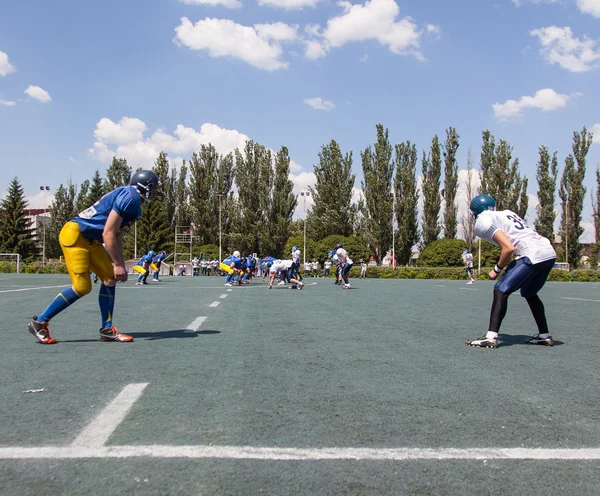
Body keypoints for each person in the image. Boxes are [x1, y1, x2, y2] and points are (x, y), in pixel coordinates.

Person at [27, 170, 162, 344]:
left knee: (109, 278)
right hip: (76, 235)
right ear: (144, 186)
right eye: (153, 187)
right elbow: (108, 233)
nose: (155, 191)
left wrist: (119, 264)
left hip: (91, 239)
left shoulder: (132, 200)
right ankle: (39, 322)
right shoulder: (131, 197)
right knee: (82, 287)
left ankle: (107, 329)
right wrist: (117, 263)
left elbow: (117, 237)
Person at [465, 194, 557, 349]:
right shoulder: (507, 213)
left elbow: (508, 248)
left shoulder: (482, 220)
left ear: (475, 211)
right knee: (529, 292)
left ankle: (491, 337)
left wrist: (496, 269)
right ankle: (544, 336)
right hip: (548, 252)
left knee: (501, 290)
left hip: (531, 253)